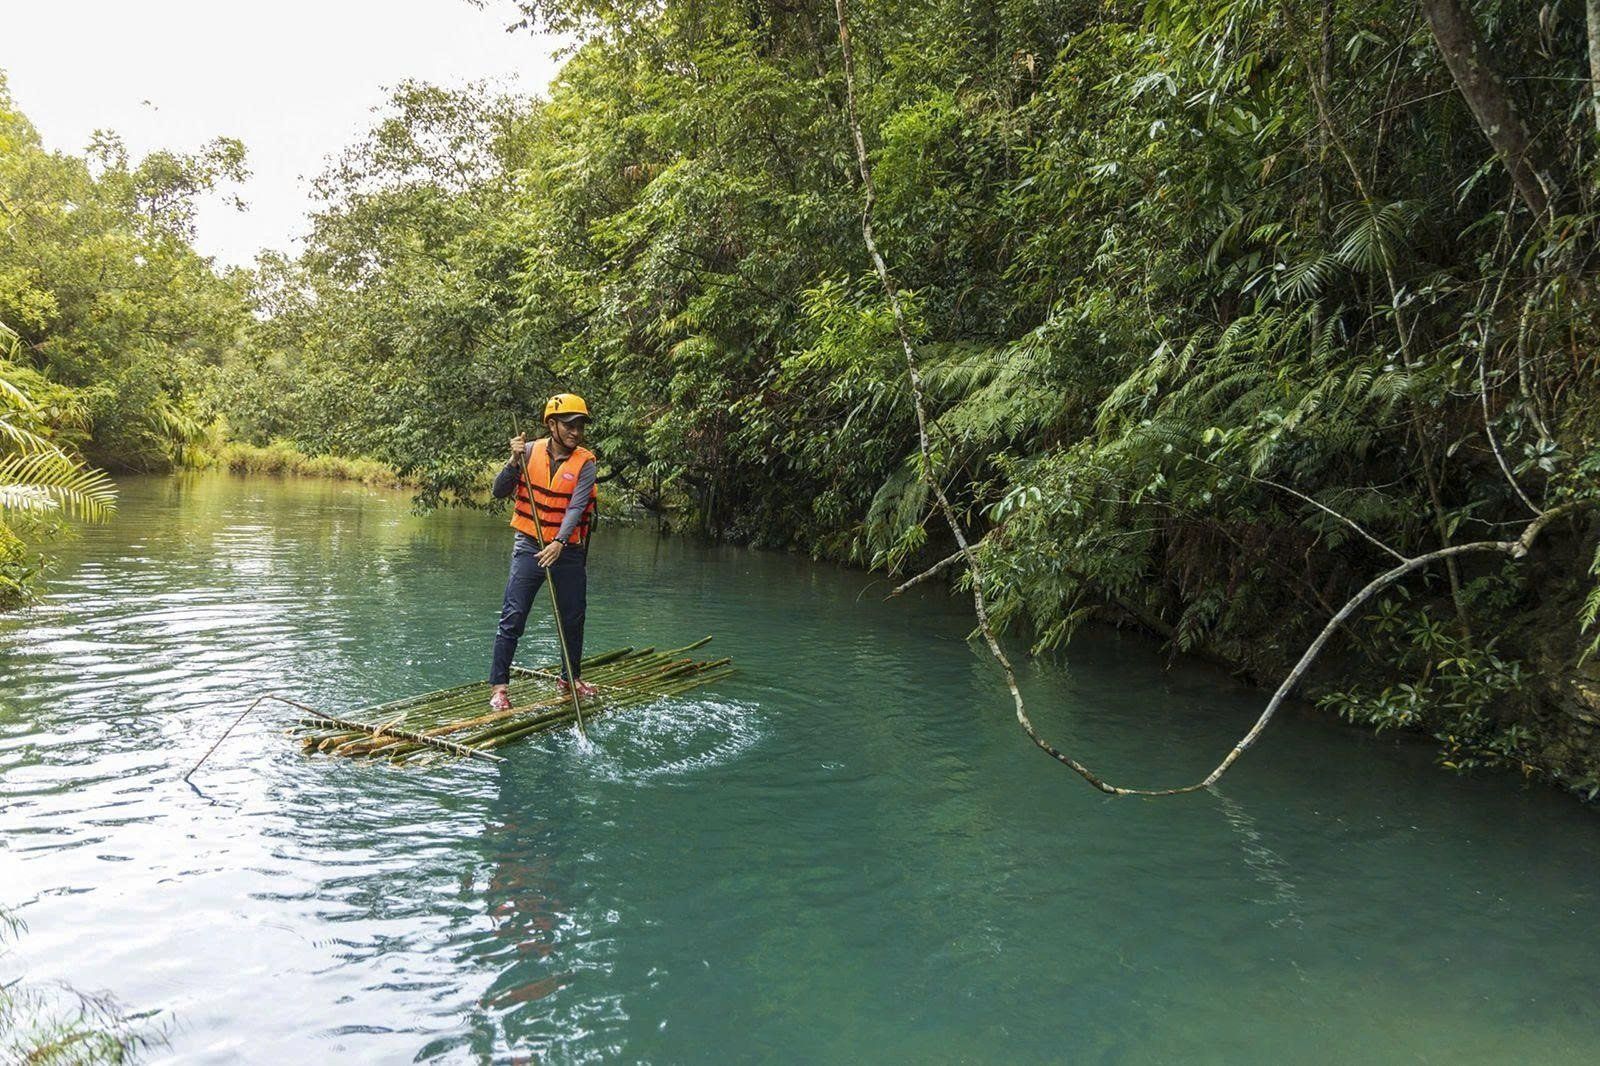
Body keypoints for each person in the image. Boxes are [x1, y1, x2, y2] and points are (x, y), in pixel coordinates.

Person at [488, 393, 600, 710]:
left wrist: (559, 542)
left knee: (573, 617)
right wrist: (513, 462)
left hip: (567, 549)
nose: (576, 432)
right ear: (552, 425)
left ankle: (570, 678)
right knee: (513, 616)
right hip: (529, 546)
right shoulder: (527, 451)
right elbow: (498, 491)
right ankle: (499, 687)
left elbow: (576, 507)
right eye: (569, 425)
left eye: (580, 426)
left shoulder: (586, 463)